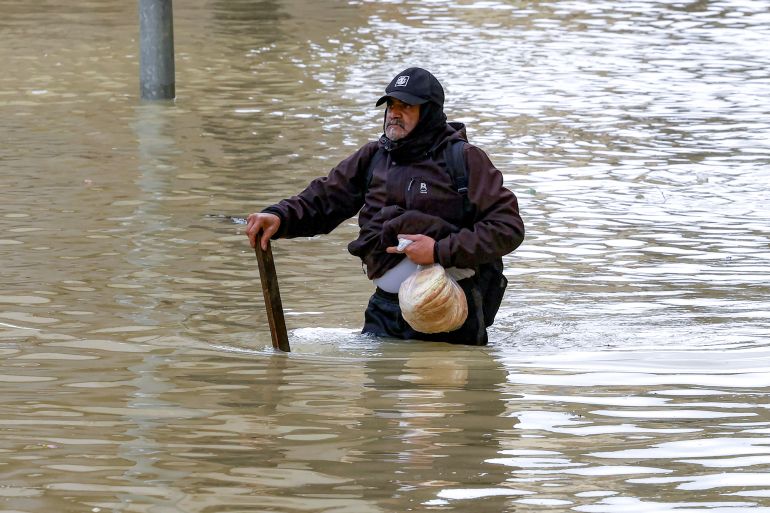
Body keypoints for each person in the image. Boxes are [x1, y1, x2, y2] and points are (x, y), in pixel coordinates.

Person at [246, 67, 524, 345]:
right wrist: (279, 216)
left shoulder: (464, 159)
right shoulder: (373, 157)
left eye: (406, 106)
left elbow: (507, 228)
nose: (394, 113)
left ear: (429, 113)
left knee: (449, 387)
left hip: (449, 310)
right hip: (385, 311)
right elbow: (324, 198)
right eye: (391, 104)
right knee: (380, 386)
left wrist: (439, 250)